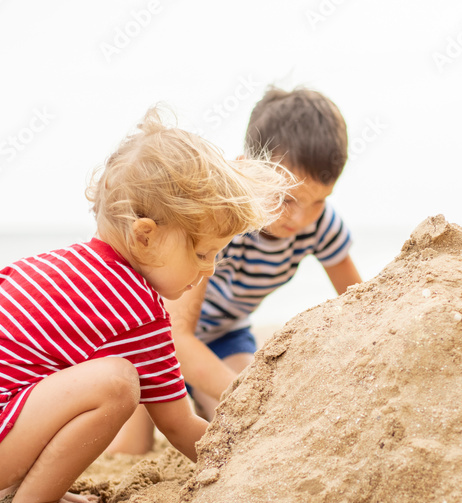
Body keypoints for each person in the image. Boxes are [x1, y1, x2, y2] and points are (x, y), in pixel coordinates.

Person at [0, 108, 290, 503]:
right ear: (145, 235)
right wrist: (247, 459)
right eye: (202, 253)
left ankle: (32, 492)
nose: (209, 270)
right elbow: (178, 424)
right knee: (117, 383)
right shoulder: (139, 310)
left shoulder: (66, 268)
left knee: (83, 374)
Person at [107, 86, 362, 454]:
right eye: (286, 198)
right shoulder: (222, 220)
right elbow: (176, 337)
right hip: (152, 339)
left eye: (318, 201)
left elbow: (361, 306)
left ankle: (208, 400)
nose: (301, 217)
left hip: (225, 335)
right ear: (247, 169)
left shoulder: (321, 227)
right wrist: (244, 396)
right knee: (131, 450)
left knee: (242, 431)